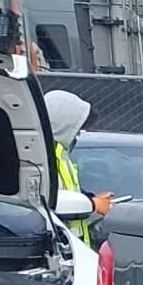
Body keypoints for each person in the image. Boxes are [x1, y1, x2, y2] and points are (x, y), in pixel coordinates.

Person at [45, 89, 93, 242]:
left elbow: (68, 191)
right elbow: (50, 199)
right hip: (59, 244)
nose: (78, 134)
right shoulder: (45, 157)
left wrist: (89, 198)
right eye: (76, 128)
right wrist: (93, 204)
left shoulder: (60, 153)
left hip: (71, 247)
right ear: (63, 123)